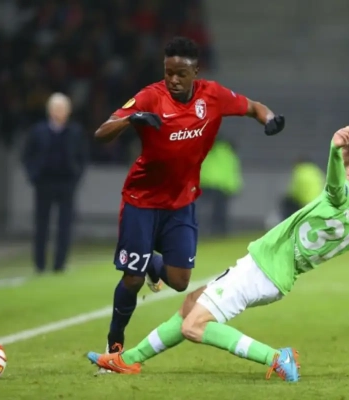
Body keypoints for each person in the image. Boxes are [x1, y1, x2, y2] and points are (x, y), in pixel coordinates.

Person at [87, 126, 349, 382]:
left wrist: (334, 149)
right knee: (191, 303)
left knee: (194, 327)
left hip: (261, 269)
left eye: (340, 161)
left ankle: (277, 357)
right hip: (276, 278)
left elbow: (334, 183)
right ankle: (129, 360)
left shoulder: (340, 196)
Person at [93, 36, 286, 362]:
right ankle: (115, 344)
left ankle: (151, 262)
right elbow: (102, 132)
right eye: (168, 72)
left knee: (181, 282)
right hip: (142, 200)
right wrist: (131, 119)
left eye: (180, 74)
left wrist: (269, 120)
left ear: (196, 72)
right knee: (132, 278)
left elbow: (254, 107)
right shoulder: (150, 97)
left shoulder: (213, 96)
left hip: (181, 202)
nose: (173, 79)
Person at [21, 93, 89, 273]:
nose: (59, 112)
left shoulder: (75, 131)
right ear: (49, 110)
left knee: (65, 225)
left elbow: (83, 157)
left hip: (66, 182)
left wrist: (76, 177)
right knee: (41, 224)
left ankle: (60, 264)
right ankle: (39, 264)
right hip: (44, 182)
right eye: (56, 108)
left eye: (63, 108)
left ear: (69, 111)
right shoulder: (38, 131)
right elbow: (27, 155)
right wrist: (33, 176)